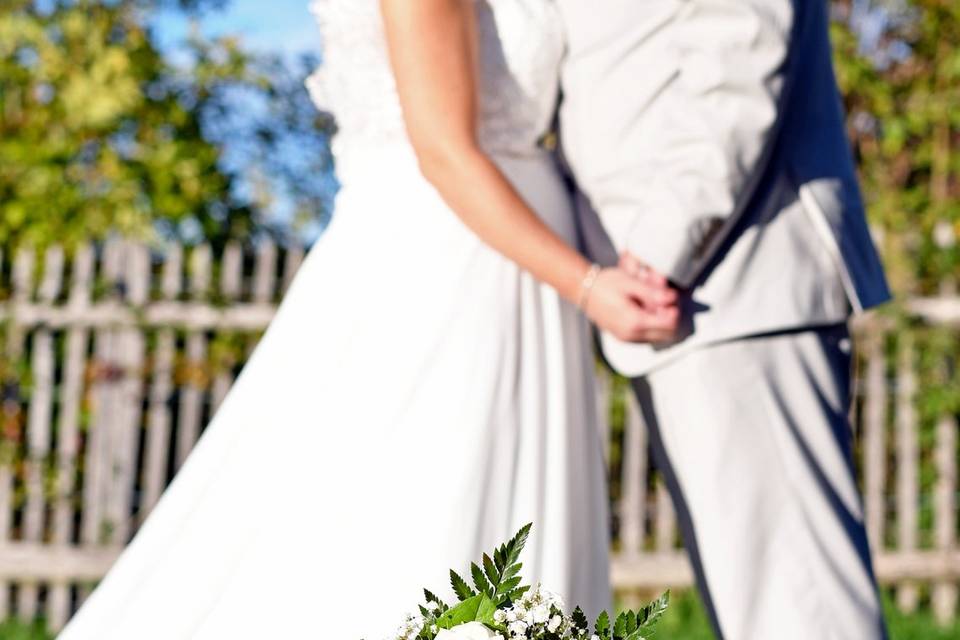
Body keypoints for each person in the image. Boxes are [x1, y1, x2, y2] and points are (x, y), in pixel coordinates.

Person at [58, 1, 675, 638]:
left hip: (517, 264)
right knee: (423, 509)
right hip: (448, 261)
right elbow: (445, 153)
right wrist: (588, 284)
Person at [556, 0, 891, 638]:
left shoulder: (667, 260)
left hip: (729, 276)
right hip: (683, 295)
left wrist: (661, 251)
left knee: (800, 611)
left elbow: (745, 39)